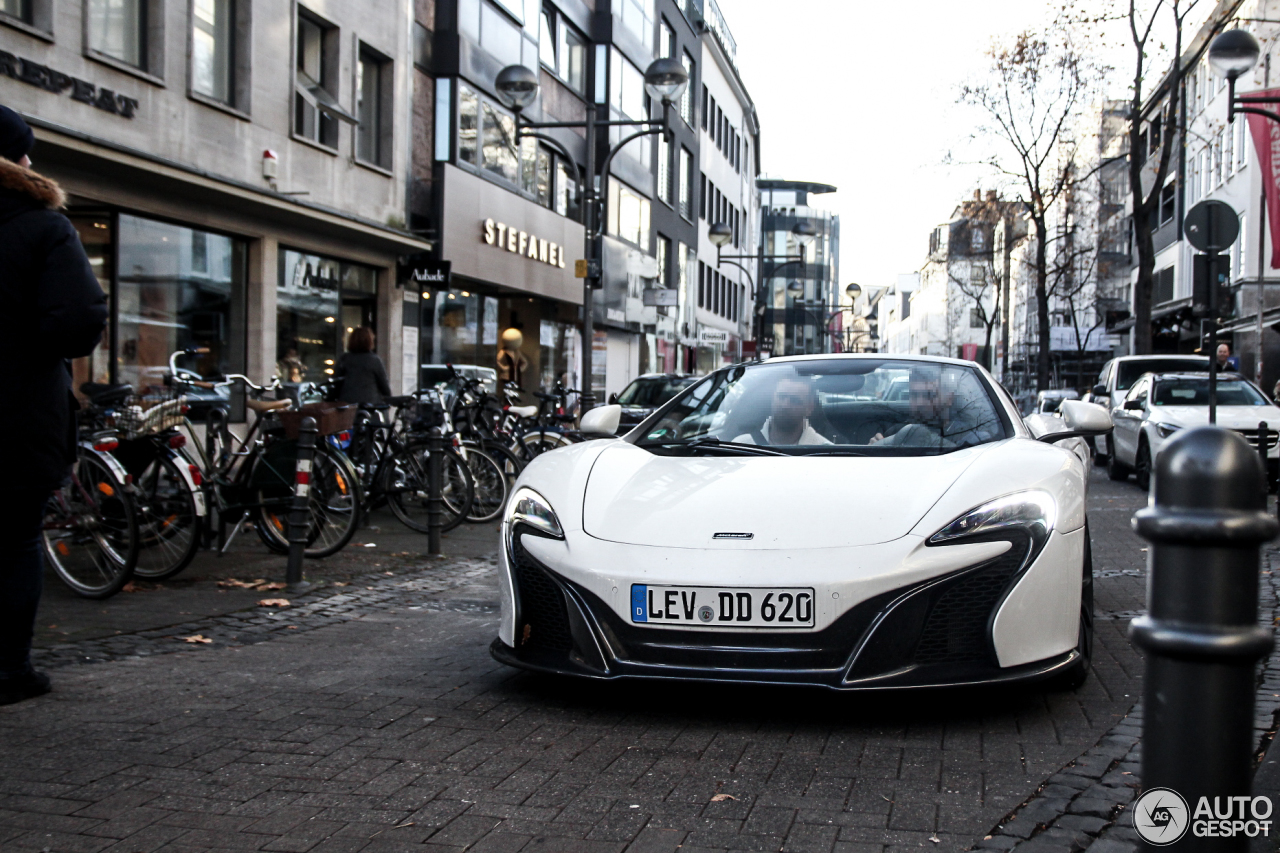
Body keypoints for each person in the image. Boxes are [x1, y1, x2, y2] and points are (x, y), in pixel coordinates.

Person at [0, 106, 108, 705]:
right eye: (26, 151)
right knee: (15, 540)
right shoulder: (42, 227)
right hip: (16, 414)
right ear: (16, 161)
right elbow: (78, 318)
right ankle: (9, 669)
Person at [871, 365, 996, 448]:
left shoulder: (971, 438)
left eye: (929, 395)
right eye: (914, 395)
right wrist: (876, 448)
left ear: (949, 398)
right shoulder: (896, 432)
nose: (919, 402)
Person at [733, 374, 831, 446]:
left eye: (795, 400)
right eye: (781, 397)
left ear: (809, 408)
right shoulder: (741, 445)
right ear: (772, 399)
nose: (785, 405)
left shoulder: (825, 452)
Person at [334, 326, 391, 405]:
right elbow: (384, 387)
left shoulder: (344, 359)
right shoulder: (374, 360)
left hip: (347, 406)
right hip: (370, 405)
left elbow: (335, 384)